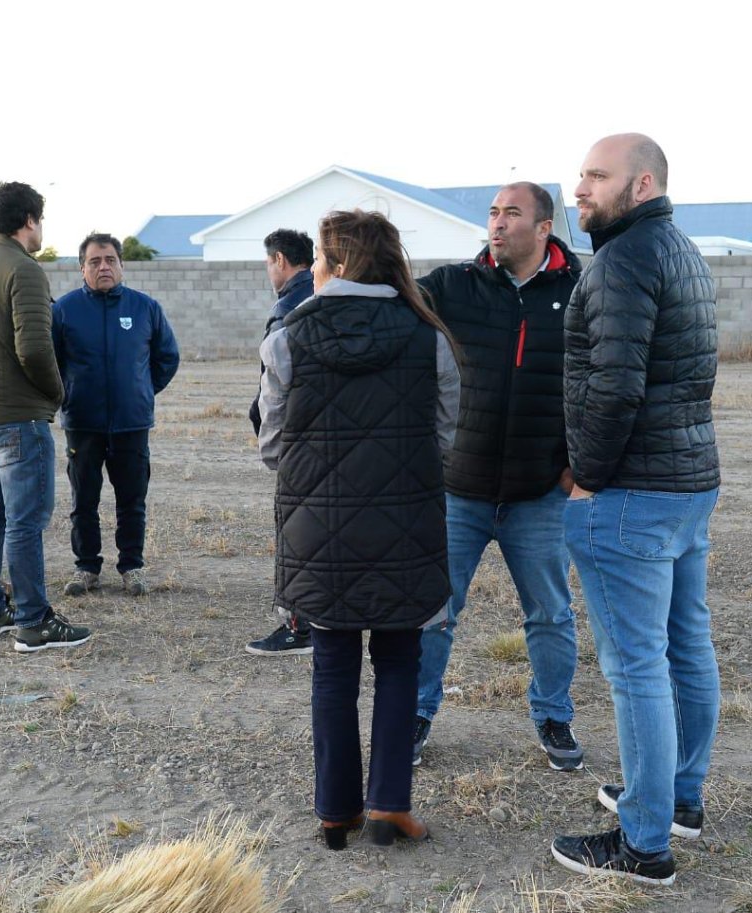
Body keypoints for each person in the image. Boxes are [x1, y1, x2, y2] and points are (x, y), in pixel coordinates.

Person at [258, 209, 459, 850]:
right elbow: (444, 438)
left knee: (332, 665)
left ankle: (334, 811)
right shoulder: (428, 336)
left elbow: (272, 444)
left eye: (320, 256)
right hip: (406, 523)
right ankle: (388, 806)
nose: (313, 266)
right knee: (400, 661)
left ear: (340, 262)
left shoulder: (288, 336)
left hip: (318, 530)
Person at [551, 134, 721, 886]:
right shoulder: (680, 249)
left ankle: (644, 844)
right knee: (685, 646)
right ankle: (678, 799)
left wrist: (587, 476)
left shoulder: (622, 260)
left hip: (633, 494)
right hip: (686, 483)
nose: (580, 188)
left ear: (642, 184)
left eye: (597, 175)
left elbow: (616, 386)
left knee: (638, 668)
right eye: (582, 174)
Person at [411, 183, 585, 772]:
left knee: (550, 614)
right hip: (459, 490)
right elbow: (390, 308)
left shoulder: (579, 291)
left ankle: (553, 715)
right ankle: (416, 713)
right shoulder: (453, 285)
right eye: (493, 212)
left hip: (540, 494)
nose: (498, 223)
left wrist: (576, 468)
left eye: (512, 213)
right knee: (434, 610)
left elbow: (598, 382)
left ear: (544, 228)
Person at [0, 182, 91, 653]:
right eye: (41, 220)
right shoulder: (24, 269)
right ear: (30, 220)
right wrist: (56, 393)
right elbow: (34, 348)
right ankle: (33, 622)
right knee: (24, 521)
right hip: (18, 415)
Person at [52, 232, 180, 597]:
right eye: (94, 261)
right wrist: (67, 397)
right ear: (82, 269)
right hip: (83, 423)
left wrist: (141, 390)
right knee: (83, 501)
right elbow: (51, 363)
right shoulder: (64, 310)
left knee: (131, 501)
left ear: (121, 265)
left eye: (110, 260)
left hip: (131, 423)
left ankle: (132, 566)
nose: (103, 267)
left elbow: (167, 358)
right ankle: (86, 567)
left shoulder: (145, 308)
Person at [246, 228, 316, 657]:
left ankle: (297, 625)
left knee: (295, 538)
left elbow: (270, 392)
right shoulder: (325, 298)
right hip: (330, 441)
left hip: (296, 444)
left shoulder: (288, 309)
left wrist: (267, 440)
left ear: (279, 260)